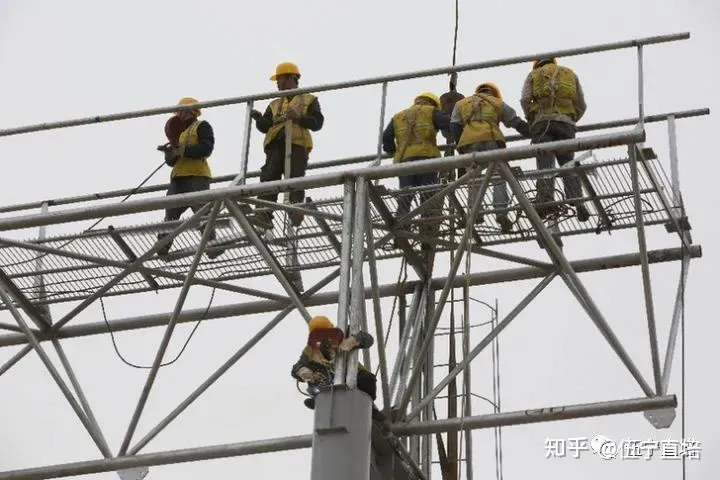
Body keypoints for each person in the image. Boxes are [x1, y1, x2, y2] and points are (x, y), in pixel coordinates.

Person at [250, 62, 324, 233]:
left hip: (297, 144)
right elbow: (266, 126)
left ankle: (295, 210)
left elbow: (317, 122)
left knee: (295, 177)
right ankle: (264, 215)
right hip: (275, 145)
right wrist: (259, 119)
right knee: (269, 176)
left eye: (280, 79)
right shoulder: (275, 103)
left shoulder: (308, 99)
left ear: (292, 78)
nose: (277, 83)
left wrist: (299, 117)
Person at [449, 82, 531, 233]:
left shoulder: (461, 104)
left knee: (473, 179)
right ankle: (501, 213)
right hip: (491, 140)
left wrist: (461, 146)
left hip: (469, 143)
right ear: (493, 92)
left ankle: (476, 213)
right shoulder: (496, 102)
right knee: (499, 176)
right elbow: (515, 121)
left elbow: (454, 126)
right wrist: (533, 134)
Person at [520, 57, 589, 222]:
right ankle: (577, 201)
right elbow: (581, 104)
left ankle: (545, 199)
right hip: (565, 124)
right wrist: (570, 119)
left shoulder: (534, 75)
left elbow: (525, 99)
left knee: (545, 163)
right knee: (568, 163)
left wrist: (532, 118)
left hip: (542, 123)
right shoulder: (569, 73)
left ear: (537, 65)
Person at [156, 97, 224, 260]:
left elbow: (206, 148)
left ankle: (211, 245)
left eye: (183, 110)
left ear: (193, 111)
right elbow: (172, 162)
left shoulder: (202, 126)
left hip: (196, 176)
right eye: (179, 111)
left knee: (202, 212)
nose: (180, 114)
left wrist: (183, 150)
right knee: (170, 213)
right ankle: (163, 245)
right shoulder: (179, 134)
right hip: (178, 178)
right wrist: (169, 154)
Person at [382, 92, 450, 249]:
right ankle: (426, 236)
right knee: (427, 198)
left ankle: (401, 233)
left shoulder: (399, 116)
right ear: (432, 103)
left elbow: (386, 137)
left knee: (405, 198)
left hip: (405, 162)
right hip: (426, 160)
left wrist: (392, 150)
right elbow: (448, 125)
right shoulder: (430, 112)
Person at [291, 315, 383, 420]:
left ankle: (370, 408)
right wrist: (301, 371)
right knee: (316, 374)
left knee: (367, 380)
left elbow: (368, 339)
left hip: (353, 376)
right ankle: (321, 400)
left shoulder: (343, 335)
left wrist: (354, 340)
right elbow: (296, 368)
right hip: (329, 383)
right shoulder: (310, 350)